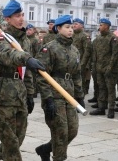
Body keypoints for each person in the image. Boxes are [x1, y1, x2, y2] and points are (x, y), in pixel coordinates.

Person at [0, 0, 45, 161]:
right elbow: (6, 55)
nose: (21, 18)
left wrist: (30, 94)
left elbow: (27, 73)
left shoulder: (26, 40)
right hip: (4, 94)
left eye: (22, 15)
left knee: (18, 136)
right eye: (17, 16)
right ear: (7, 19)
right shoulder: (2, 38)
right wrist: (26, 58)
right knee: (9, 140)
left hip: (20, 93)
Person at [35, 15, 83, 161]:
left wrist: (80, 95)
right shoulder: (49, 48)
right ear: (58, 28)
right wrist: (47, 98)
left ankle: (46, 149)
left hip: (69, 94)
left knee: (72, 130)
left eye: (72, 27)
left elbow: (77, 74)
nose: (70, 30)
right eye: (67, 27)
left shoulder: (74, 50)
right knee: (60, 132)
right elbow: (42, 75)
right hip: (55, 95)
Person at [90, 18, 118, 119]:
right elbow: (95, 54)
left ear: (107, 26)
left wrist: (110, 68)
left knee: (110, 89)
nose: (99, 27)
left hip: (109, 70)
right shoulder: (98, 39)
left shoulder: (113, 38)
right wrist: (94, 66)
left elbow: (115, 55)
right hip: (99, 69)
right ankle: (101, 108)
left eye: (101, 25)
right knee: (101, 88)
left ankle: (111, 109)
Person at [72, 18, 91, 98]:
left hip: (80, 63)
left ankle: (80, 100)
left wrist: (83, 64)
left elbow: (87, 51)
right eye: (73, 24)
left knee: (81, 83)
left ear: (82, 26)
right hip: (72, 63)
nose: (74, 25)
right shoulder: (72, 34)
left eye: (76, 24)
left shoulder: (85, 36)